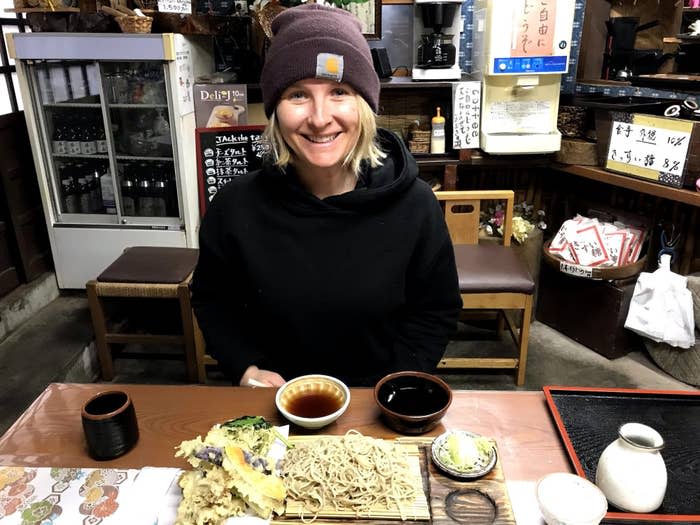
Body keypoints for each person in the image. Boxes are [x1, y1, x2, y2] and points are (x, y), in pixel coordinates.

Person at [191, 3, 461, 388]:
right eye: (298, 95)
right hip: (275, 402)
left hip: (378, 400)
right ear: (274, 111)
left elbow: (435, 310)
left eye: (339, 91)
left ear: (365, 106)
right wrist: (245, 366)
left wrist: (398, 381)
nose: (319, 118)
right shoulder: (234, 208)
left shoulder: (415, 205)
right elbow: (213, 300)